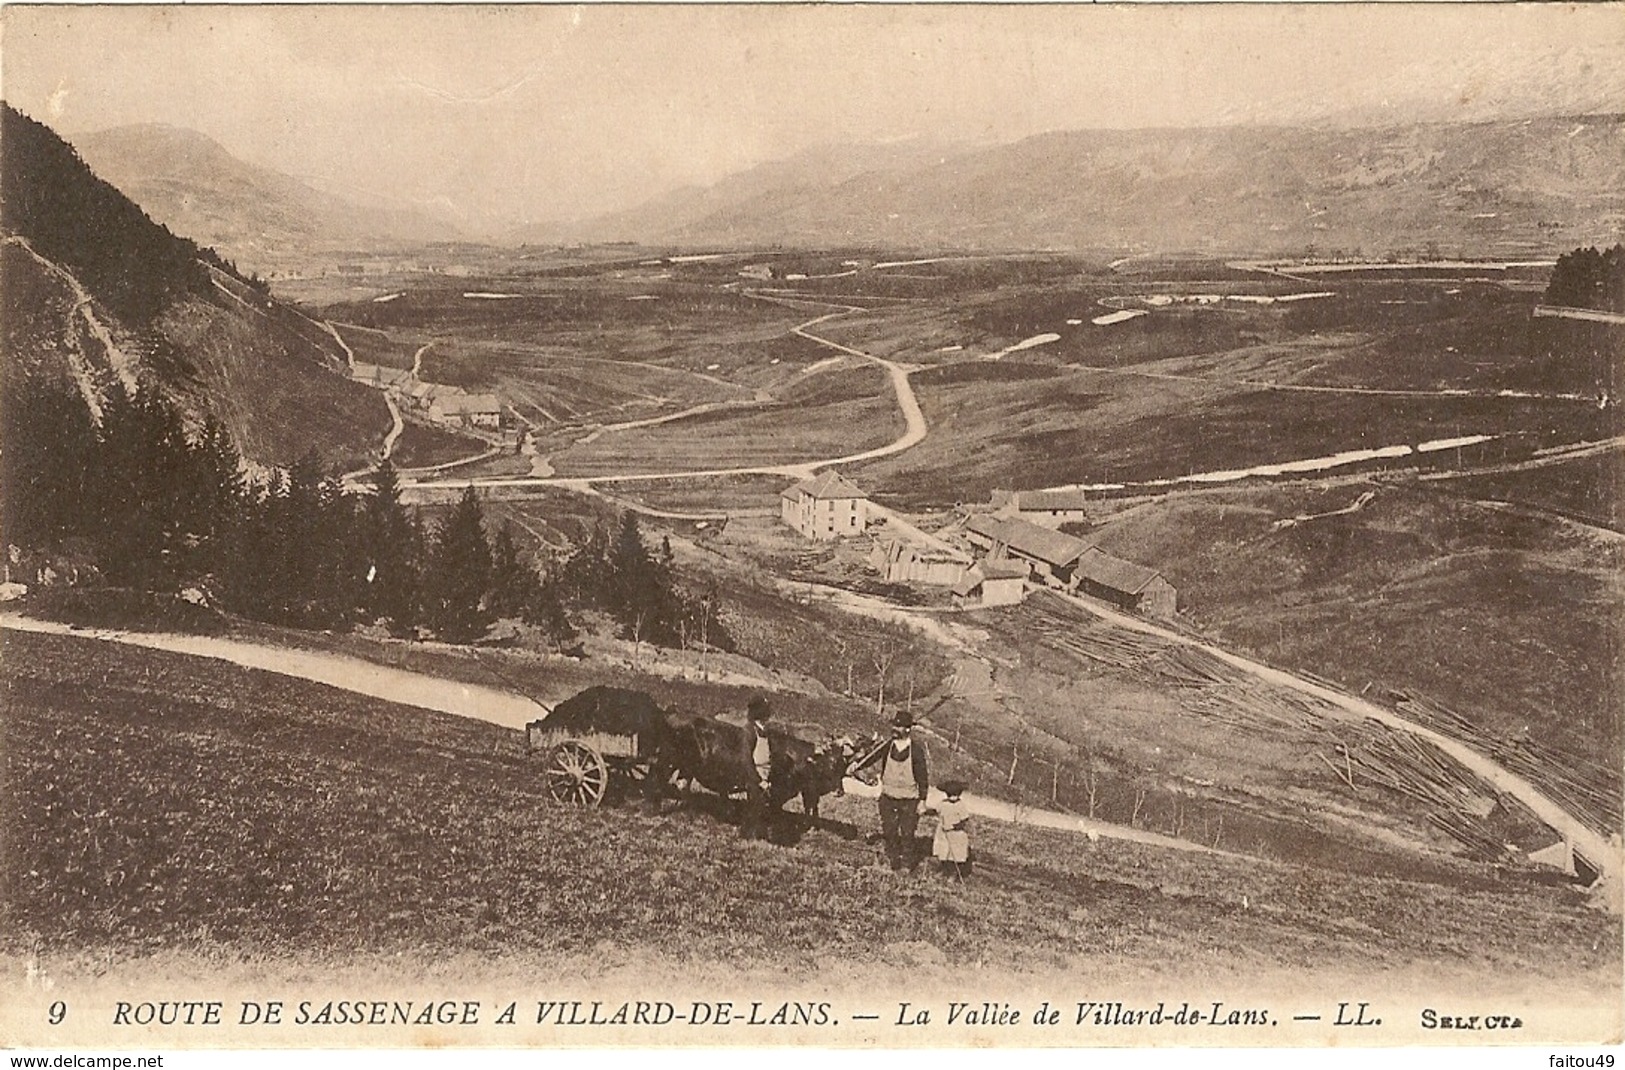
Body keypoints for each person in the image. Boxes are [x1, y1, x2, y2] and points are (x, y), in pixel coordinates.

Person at [848, 709, 929, 871]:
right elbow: (872, 758)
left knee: (907, 834)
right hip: (888, 797)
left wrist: (922, 800)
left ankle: (906, 865)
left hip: (909, 799)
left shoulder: (917, 751)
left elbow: (923, 778)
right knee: (889, 831)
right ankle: (893, 861)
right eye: (894, 726)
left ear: (908, 729)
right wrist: (857, 765)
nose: (894, 729)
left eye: (899, 727)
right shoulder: (887, 746)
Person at [740, 694, 774, 841]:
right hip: (755, 775)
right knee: (754, 806)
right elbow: (746, 758)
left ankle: (759, 836)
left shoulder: (763, 731)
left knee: (761, 806)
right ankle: (748, 837)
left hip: (764, 774)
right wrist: (758, 779)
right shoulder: (749, 731)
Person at [923, 778, 972, 880]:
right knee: (943, 851)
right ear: (946, 794)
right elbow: (936, 811)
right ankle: (944, 870)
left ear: (959, 795)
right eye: (950, 795)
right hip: (943, 832)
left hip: (956, 834)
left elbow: (964, 820)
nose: (953, 797)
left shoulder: (960, 805)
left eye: (956, 795)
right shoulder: (943, 803)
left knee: (955, 854)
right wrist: (925, 811)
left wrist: (955, 826)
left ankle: (953, 873)